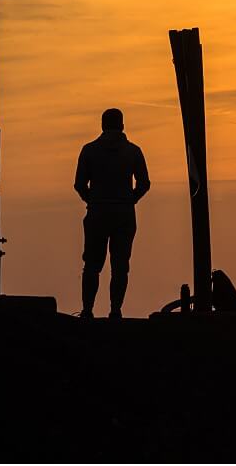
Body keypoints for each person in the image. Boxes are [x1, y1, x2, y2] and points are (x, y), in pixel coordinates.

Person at [74, 108, 150, 319]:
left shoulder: (89, 150)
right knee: (120, 266)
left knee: (91, 265)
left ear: (102, 126)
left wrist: (92, 200)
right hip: (123, 213)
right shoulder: (133, 151)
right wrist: (130, 200)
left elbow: (79, 184)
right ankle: (115, 311)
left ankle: (87, 310)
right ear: (122, 126)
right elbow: (144, 184)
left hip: (97, 212)